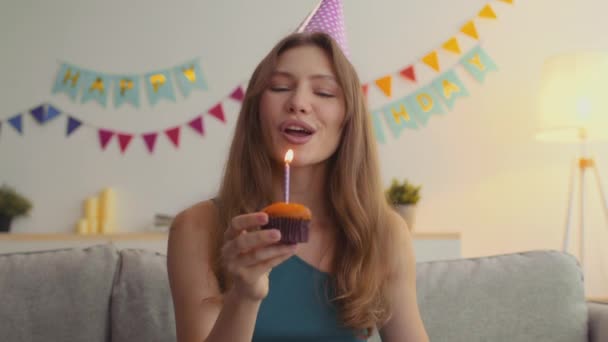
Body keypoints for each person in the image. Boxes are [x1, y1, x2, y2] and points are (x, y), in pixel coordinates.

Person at [167, 31, 429, 342]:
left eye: (325, 92)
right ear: (256, 111)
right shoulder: (198, 228)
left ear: (348, 119)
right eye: (280, 87)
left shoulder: (385, 234)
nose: (298, 103)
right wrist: (244, 296)